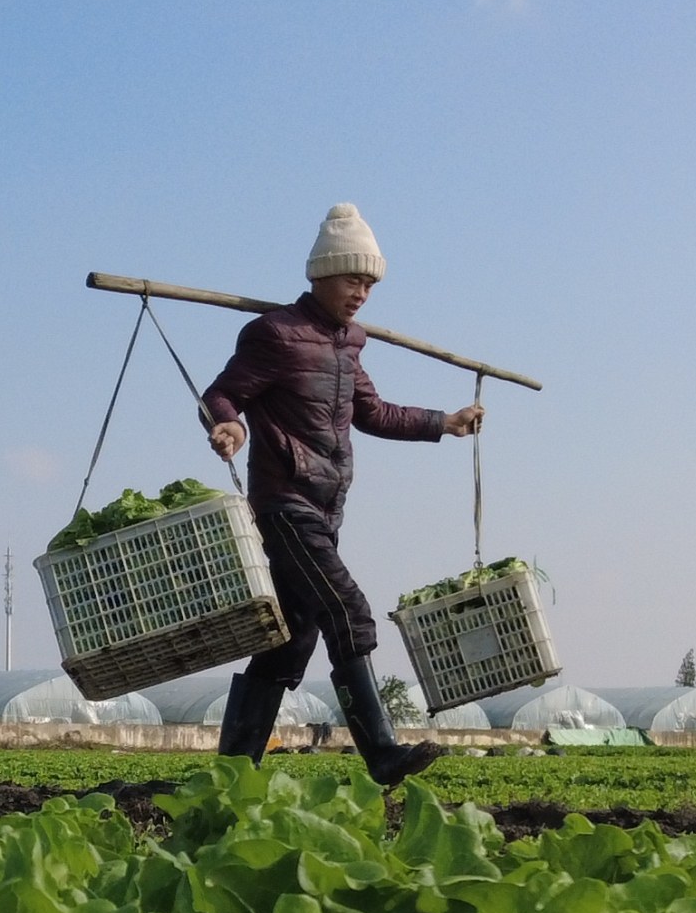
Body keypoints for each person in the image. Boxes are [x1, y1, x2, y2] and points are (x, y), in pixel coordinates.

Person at [201, 203, 484, 785]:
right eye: (354, 279)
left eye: (371, 283)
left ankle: (232, 773)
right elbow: (221, 394)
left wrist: (445, 421)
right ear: (322, 275)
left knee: (292, 638)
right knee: (347, 610)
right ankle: (382, 753)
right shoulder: (274, 334)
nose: (362, 293)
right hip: (284, 500)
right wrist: (230, 424)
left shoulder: (349, 343)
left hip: (329, 506)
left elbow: (372, 413)